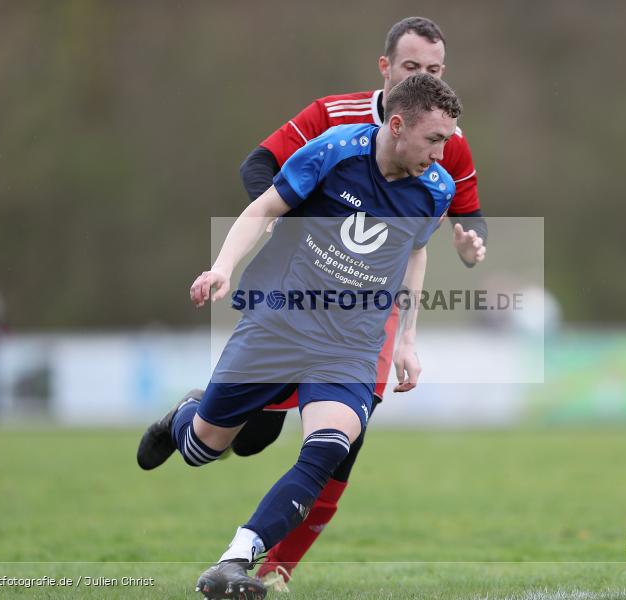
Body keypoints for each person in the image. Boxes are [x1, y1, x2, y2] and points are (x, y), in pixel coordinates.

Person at [137, 73, 462, 600]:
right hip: (279, 324)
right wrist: (221, 267)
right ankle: (184, 418)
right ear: (397, 125)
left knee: (329, 446)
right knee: (202, 449)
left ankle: (233, 562)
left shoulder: (436, 188)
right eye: (434, 139)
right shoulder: (333, 152)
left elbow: (415, 254)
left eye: (447, 139)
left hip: (350, 345)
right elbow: (265, 207)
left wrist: (406, 339)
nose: (442, 152)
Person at [237, 16, 486, 590]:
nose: (423, 78)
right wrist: (304, 229)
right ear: (385, 68)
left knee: (339, 446)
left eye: (434, 70)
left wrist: (472, 248)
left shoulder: (445, 139)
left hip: (368, 320)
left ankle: (277, 568)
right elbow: (258, 167)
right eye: (411, 68)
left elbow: (469, 225)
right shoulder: (332, 115)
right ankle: (201, 417)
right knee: (252, 438)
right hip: (297, 299)